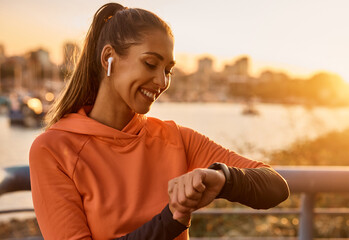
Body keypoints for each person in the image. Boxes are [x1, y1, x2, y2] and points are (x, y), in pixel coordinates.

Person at [29, 2, 289, 240]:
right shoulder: (52, 149)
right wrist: (171, 219)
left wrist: (222, 179)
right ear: (109, 58)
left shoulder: (176, 138)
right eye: (151, 64)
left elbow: (275, 186)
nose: (162, 82)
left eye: (168, 71)